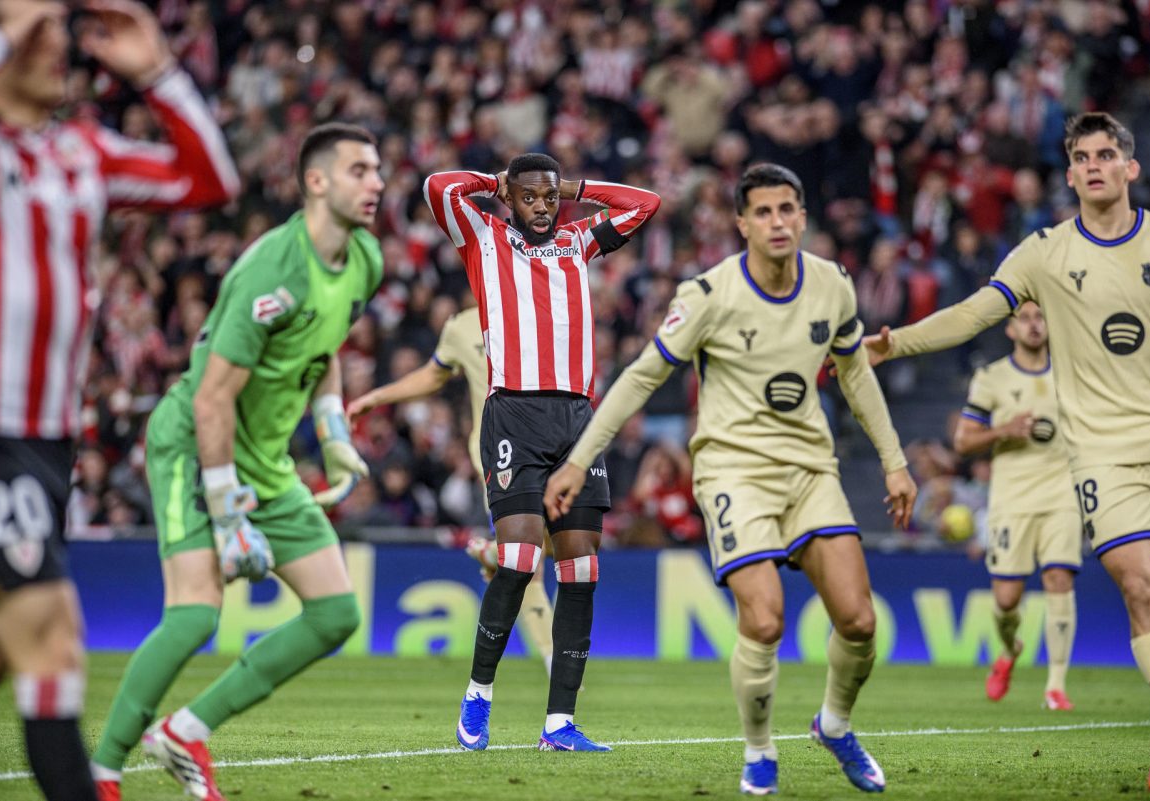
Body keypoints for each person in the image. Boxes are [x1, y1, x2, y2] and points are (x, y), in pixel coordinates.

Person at [545, 164, 917, 794]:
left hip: (810, 468)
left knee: (859, 621)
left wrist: (894, 460)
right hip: (732, 471)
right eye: (763, 212)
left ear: (803, 217)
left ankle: (833, 724)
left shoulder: (832, 285)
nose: (777, 222)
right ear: (742, 224)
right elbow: (643, 375)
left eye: (787, 209)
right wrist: (580, 459)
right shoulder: (708, 295)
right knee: (765, 620)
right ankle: (759, 750)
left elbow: (854, 373)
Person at [866, 111, 1150, 795]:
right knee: (1141, 587)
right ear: (1070, 174)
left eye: (1107, 154)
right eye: (1083, 157)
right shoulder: (1043, 252)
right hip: (1103, 450)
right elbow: (972, 314)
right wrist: (896, 343)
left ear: (1131, 167)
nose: (1095, 165)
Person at [91, 123, 383, 801]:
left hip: (266, 459)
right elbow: (212, 399)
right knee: (196, 615)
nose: (376, 183)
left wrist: (333, 429)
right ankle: (102, 771)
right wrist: (227, 515)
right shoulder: (270, 270)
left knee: (336, 613)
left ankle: (184, 731)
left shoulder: (365, 258)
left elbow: (323, 348)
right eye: (360, 171)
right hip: (196, 446)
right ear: (317, 182)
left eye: (376, 170)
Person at [0, 2, 239, 800]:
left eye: (57, 28)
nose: (55, 42)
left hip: (47, 441)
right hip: (0, 434)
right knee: (51, 637)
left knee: (14, 644)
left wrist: (159, 74)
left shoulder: (80, 152)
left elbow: (210, 179)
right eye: (35, 28)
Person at [423, 154, 660, 752]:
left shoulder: (579, 240)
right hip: (515, 414)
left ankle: (559, 724)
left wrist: (575, 187)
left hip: (578, 419)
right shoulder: (484, 235)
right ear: (510, 198)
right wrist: (494, 184)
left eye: (550, 198)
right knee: (519, 556)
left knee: (581, 568)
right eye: (529, 197)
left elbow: (645, 204)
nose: (541, 207)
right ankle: (478, 694)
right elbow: (439, 187)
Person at [346, 302, 556, 674]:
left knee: (568, 543)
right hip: (499, 455)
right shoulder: (462, 326)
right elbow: (432, 375)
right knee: (529, 557)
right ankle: (554, 659)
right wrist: (376, 397)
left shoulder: (542, 310)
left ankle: (494, 553)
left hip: (554, 448)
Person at [953, 301, 1080, 710]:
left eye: (1040, 316)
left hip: (1062, 492)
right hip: (1011, 497)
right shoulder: (992, 378)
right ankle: (1010, 649)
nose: (1033, 325)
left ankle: (1055, 685)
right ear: (1010, 329)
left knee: (1059, 578)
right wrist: (1003, 430)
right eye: (1024, 318)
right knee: (1006, 600)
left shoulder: (1072, 371)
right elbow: (963, 441)